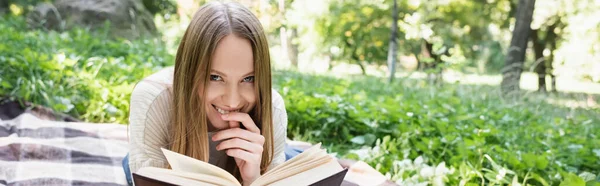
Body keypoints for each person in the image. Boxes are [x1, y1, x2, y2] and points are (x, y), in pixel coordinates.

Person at [121, 2, 289, 186]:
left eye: (248, 79)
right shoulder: (154, 100)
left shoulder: (272, 109)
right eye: (215, 77)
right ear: (190, 72)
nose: (233, 101)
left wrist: (253, 180)